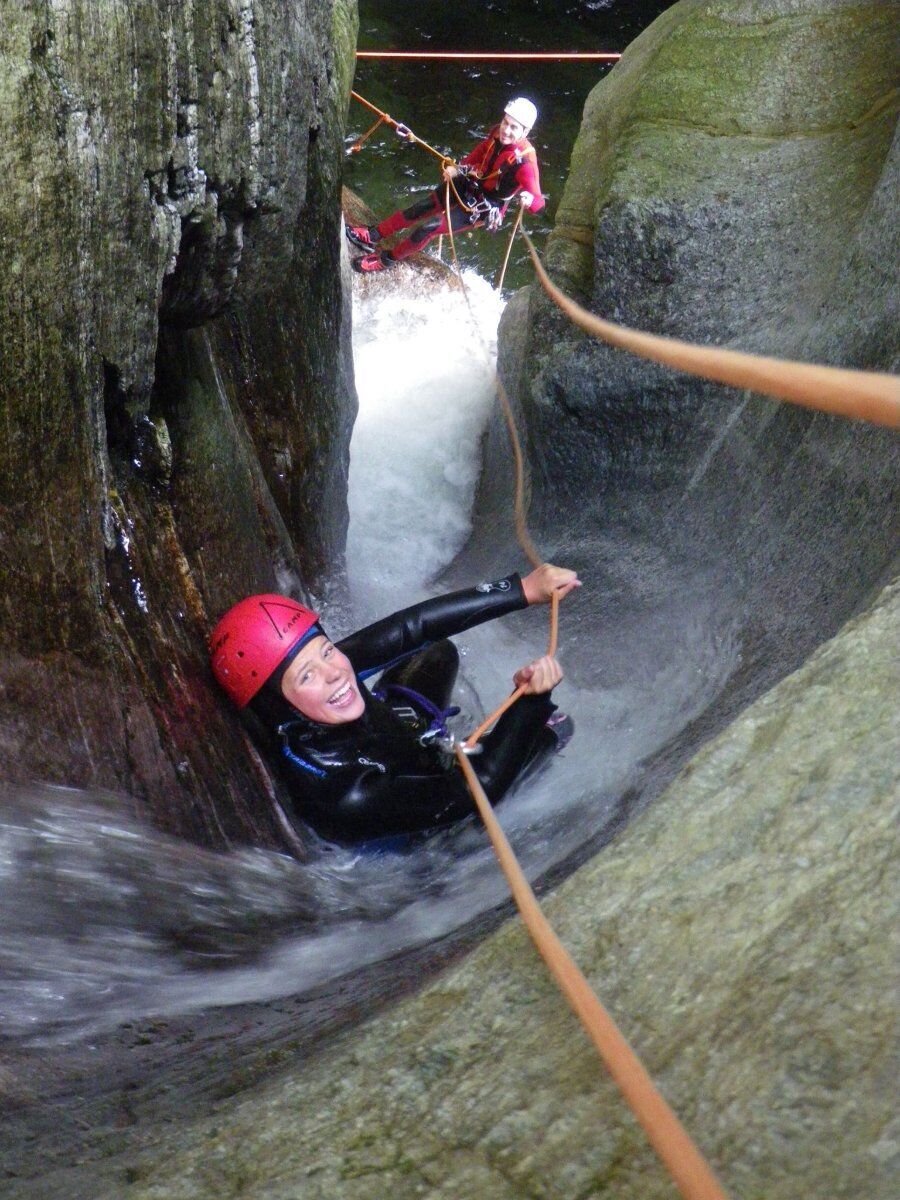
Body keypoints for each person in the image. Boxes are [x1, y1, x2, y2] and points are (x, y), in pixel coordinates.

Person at [209, 564, 580, 844]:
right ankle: (534, 740)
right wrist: (529, 704)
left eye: (327, 650)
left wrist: (520, 590)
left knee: (435, 651)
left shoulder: (320, 681)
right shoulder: (341, 793)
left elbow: (413, 627)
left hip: (395, 737)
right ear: (279, 707)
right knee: (548, 730)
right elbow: (475, 792)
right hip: (417, 829)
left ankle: (426, 737)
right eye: (307, 675)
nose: (335, 672)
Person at [346, 97, 545, 274]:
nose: (506, 130)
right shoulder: (496, 133)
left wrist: (528, 200)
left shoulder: (525, 164)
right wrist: (458, 168)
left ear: (525, 132)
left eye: (513, 128)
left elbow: (538, 202)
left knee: (429, 227)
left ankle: (387, 260)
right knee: (420, 208)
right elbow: (481, 151)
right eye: (506, 122)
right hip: (469, 183)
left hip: (483, 206)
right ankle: (372, 234)